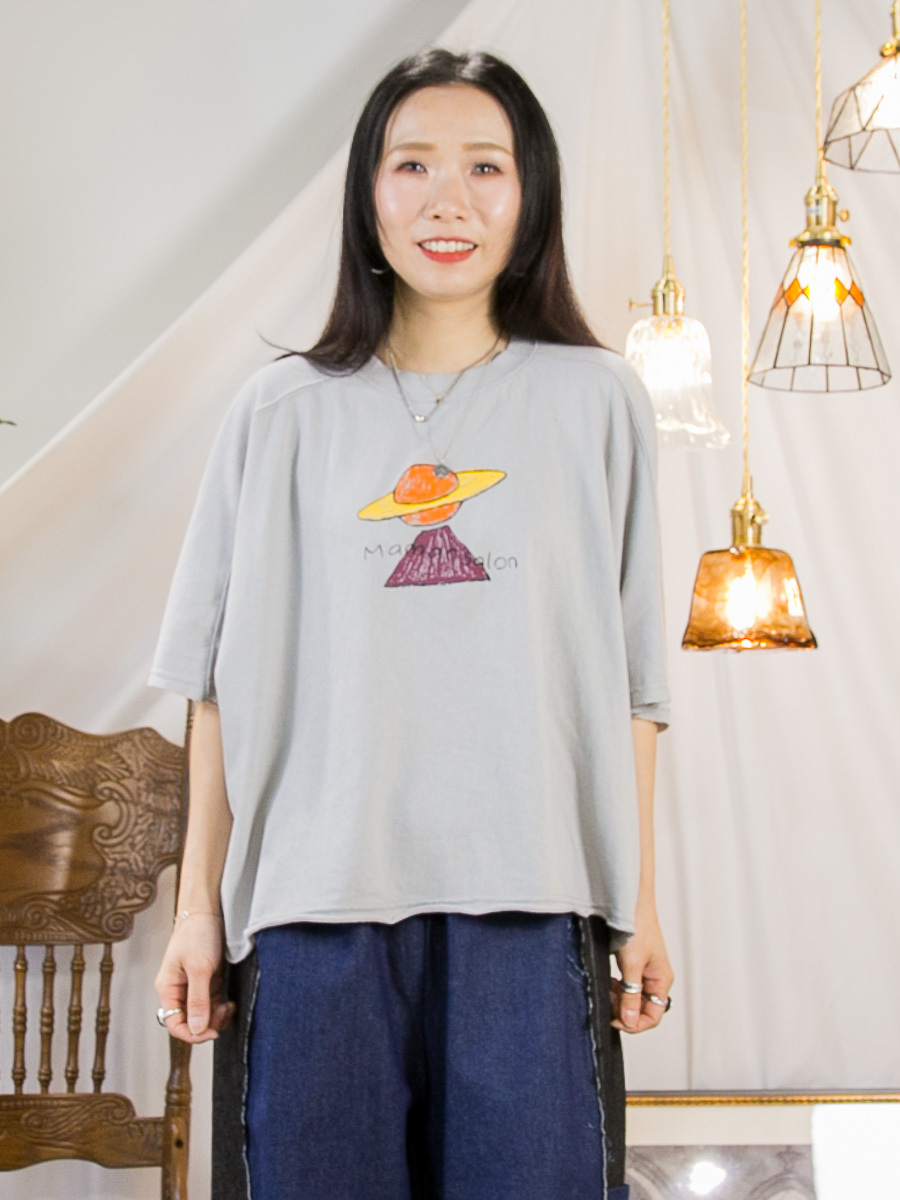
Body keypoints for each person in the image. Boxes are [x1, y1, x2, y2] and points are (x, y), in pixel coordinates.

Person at [151, 46, 673, 1200]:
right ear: (367, 195)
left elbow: (637, 689)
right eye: (413, 165)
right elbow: (214, 689)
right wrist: (197, 913)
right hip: (313, 916)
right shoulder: (278, 415)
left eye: (486, 166)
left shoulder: (598, 402)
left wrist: (636, 905)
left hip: (534, 910)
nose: (449, 200)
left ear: (531, 196)